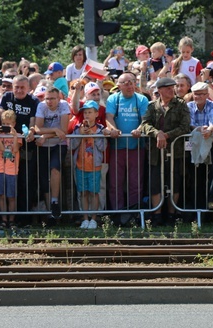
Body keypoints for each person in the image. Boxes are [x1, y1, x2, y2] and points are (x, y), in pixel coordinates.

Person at [139, 77, 190, 226]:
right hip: (156, 152)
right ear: (160, 90)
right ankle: (157, 215)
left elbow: (185, 126)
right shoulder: (152, 106)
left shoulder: (181, 104)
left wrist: (167, 135)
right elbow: (145, 124)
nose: (171, 90)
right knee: (156, 183)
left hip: (176, 151)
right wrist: (157, 133)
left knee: (174, 183)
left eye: (172, 87)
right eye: (168, 88)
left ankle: (171, 214)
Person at [104, 72, 149, 217]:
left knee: (136, 182)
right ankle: (118, 213)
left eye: (132, 82)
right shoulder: (113, 99)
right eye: (126, 83)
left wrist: (139, 129)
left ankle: (134, 212)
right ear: (119, 86)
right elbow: (108, 117)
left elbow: (145, 119)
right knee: (114, 182)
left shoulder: (141, 99)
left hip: (136, 146)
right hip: (117, 147)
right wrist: (113, 129)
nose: (130, 85)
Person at [0, 75, 39, 222]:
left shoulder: (34, 101)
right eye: (17, 87)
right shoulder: (6, 97)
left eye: (22, 87)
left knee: (25, 183)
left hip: (26, 148)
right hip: (5, 148)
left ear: (28, 88)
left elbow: (33, 121)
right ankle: (4, 219)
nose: (19, 90)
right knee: (5, 186)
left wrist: (32, 131)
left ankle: (23, 219)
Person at [34, 87, 69, 224]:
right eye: (47, 98)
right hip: (44, 145)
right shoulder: (41, 106)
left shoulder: (64, 106)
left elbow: (64, 130)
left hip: (59, 144)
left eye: (53, 98)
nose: (49, 101)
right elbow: (37, 128)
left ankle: (54, 201)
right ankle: (51, 214)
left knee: (55, 168)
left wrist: (45, 135)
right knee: (43, 178)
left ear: (58, 99)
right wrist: (54, 129)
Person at [70, 100, 107, 229]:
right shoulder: (77, 128)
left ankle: (94, 218)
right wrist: (79, 135)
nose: (87, 115)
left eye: (90, 112)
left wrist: (94, 136)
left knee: (94, 193)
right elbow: (72, 145)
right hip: (80, 165)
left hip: (95, 167)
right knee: (83, 192)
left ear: (96, 114)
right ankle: (85, 218)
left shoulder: (101, 129)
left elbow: (103, 147)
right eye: (85, 112)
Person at [187, 82, 213, 210]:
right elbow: (190, 124)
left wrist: (209, 130)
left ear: (207, 95)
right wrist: (201, 129)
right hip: (194, 145)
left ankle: (211, 201)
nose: (198, 97)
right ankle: (197, 206)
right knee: (196, 174)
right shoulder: (188, 106)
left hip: (211, 143)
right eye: (196, 94)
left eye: (201, 94)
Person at [0, 110, 21, 227]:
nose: (6, 126)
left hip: (12, 170)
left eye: (8, 124)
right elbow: (1, 148)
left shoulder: (18, 136)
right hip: (0, 169)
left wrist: (14, 136)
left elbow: (15, 149)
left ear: (13, 123)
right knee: (2, 196)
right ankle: (4, 219)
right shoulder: (0, 135)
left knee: (11, 197)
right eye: (4, 123)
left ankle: (12, 219)